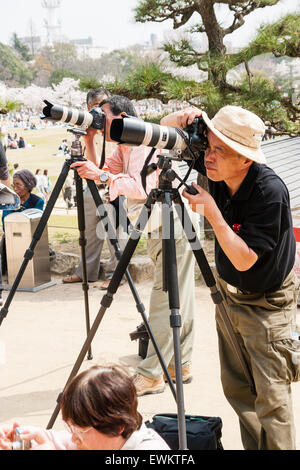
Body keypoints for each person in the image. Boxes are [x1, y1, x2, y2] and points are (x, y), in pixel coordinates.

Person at [161, 105, 300, 450]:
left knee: (272, 401)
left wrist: (212, 211)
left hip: (268, 305)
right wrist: (176, 118)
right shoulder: (215, 166)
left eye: (220, 149)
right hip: (229, 297)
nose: (208, 155)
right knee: (238, 390)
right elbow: (160, 136)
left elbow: (244, 259)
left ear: (245, 159)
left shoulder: (269, 191)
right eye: (209, 145)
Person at [71, 95, 198, 397]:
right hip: (158, 224)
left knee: (165, 296)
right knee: (181, 293)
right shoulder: (123, 145)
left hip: (172, 223)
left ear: (124, 117)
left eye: (105, 117)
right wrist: (91, 139)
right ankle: (182, 362)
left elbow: (141, 186)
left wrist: (102, 176)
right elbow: (103, 167)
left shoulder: (143, 142)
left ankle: (152, 374)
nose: (102, 122)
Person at [0, 365, 170, 450]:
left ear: (118, 427)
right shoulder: (99, 439)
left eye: (80, 430)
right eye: (70, 427)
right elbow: (61, 440)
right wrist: (29, 438)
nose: (74, 438)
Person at [62, 88, 128, 289]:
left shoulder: (117, 129)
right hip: (91, 187)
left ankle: (115, 276)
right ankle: (86, 273)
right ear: (88, 108)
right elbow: (92, 168)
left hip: (114, 186)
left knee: (115, 235)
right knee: (89, 233)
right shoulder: (85, 129)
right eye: (96, 107)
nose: (100, 112)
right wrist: (88, 139)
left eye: (104, 106)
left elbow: (104, 170)